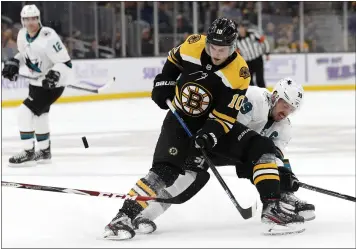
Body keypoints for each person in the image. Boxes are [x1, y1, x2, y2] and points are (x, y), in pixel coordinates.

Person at [103, 18, 304, 240]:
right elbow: (172, 64)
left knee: (262, 146)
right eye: (213, 47)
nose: (217, 53)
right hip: (179, 119)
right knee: (164, 171)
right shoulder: (193, 44)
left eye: (223, 49)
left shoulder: (240, 73)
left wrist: (210, 133)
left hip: (212, 124)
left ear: (233, 46)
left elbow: (227, 114)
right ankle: (122, 217)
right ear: (207, 41)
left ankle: (271, 209)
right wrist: (163, 83)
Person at [2, 4, 72, 166]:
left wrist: (54, 74)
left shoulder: (49, 36)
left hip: (51, 85)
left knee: (24, 112)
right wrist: (14, 62)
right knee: (40, 115)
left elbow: (65, 63)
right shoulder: (21, 35)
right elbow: (24, 54)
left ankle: (28, 151)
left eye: (34, 18)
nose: (31, 22)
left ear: (38, 19)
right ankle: (44, 150)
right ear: (23, 21)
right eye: (27, 19)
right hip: (35, 83)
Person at [236, 20, 270, 88]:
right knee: (249, 81)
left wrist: (267, 53)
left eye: (242, 28)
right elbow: (236, 52)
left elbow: (264, 41)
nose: (241, 30)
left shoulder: (253, 34)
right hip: (247, 62)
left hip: (257, 59)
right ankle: (253, 96)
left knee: (260, 80)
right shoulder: (236, 40)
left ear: (245, 28)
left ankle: (264, 96)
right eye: (239, 28)